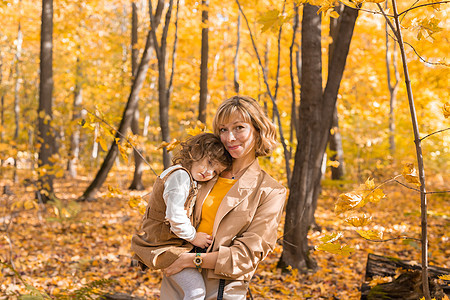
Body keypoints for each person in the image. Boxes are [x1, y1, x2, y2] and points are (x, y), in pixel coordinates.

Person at [161, 95, 287, 300]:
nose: (229, 138)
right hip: (178, 282)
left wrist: (192, 260)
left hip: (221, 288)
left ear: (257, 129)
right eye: (223, 129)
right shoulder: (203, 174)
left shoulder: (271, 191)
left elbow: (248, 255)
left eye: (239, 127)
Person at [131, 133, 232, 300]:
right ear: (196, 152)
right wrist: (194, 237)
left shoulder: (184, 176)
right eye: (209, 163)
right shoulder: (180, 177)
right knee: (196, 292)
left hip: (168, 244)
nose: (209, 172)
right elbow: (175, 215)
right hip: (165, 246)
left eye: (215, 171)